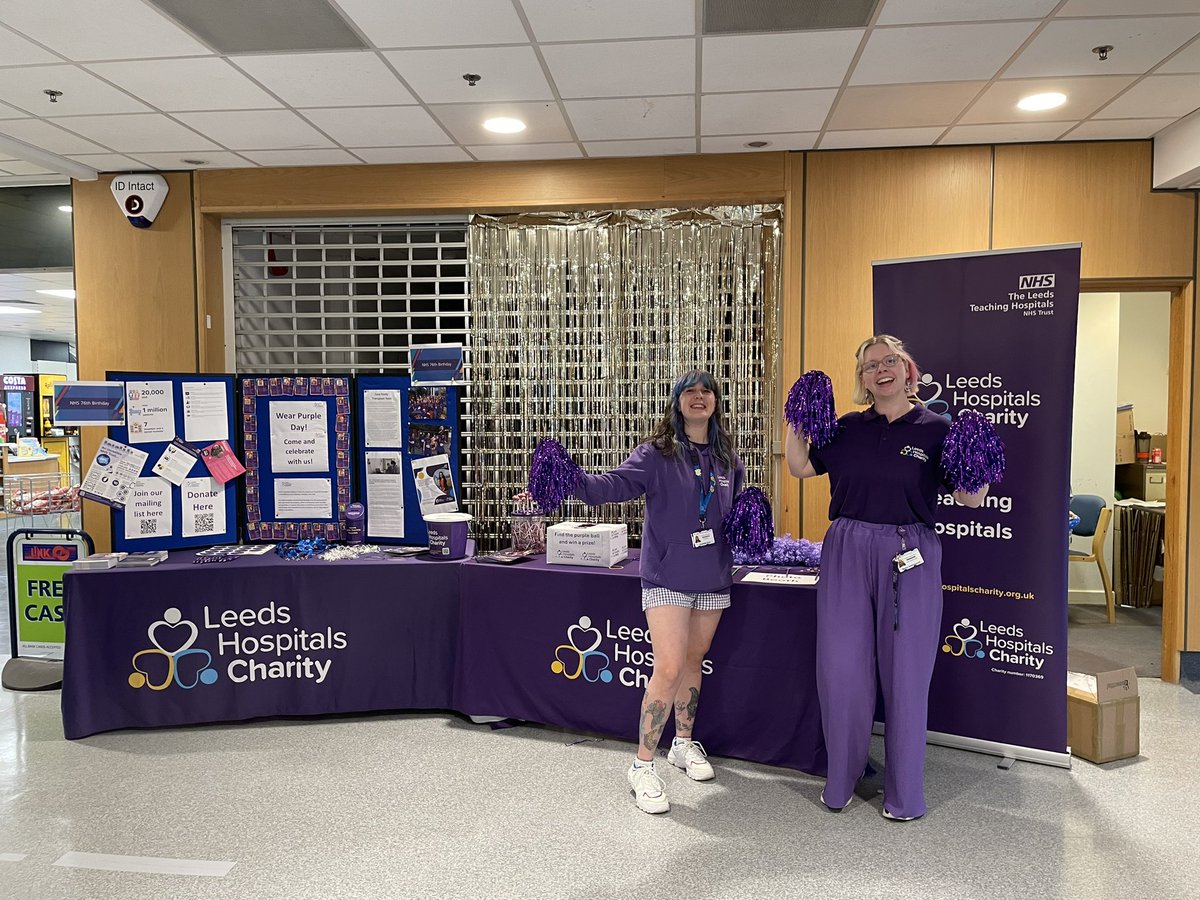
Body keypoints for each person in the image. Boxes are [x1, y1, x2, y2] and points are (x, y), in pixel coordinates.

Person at [785, 335, 989, 822]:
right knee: (841, 672)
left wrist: (977, 451)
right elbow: (798, 466)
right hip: (846, 549)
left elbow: (972, 499)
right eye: (870, 365)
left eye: (889, 361)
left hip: (910, 553)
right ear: (862, 379)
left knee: (906, 675)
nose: (881, 370)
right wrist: (798, 416)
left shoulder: (936, 429)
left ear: (907, 369)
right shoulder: (846, 428)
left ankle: (903, 796)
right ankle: (842, 780)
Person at [572, 370, 745, 814]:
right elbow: (611, 486)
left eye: (706, 391)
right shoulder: (656, 453)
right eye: (690, 391)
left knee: (692, 661)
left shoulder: (728, 459)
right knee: (667, 666)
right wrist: (572, 479)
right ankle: (642, 765)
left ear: (716, 401)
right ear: (677, 401)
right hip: (666, 579)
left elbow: (733, 518)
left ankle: (683, 743)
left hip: (713, 577)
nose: (699, 397)